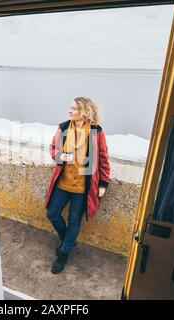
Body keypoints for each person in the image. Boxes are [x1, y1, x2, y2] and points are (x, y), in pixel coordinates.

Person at [44, 96, 111, 274]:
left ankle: (64, 253)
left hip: (84, 187)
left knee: (75, 220)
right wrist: (60, 156)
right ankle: (68, 240)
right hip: (63, 182)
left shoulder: (96, 131)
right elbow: (53, 148)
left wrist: (103, 182)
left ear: (84, 111)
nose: (70, 110)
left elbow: (103, 157)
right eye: (70, 107)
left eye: (74, 108)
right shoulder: (64, 127)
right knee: (51, 213)